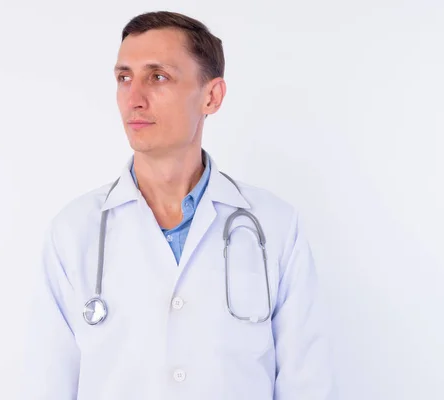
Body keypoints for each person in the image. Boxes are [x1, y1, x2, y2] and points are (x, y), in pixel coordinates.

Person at [24, 11, 336, 400]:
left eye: (158, 77)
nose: (133, 99)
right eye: (124, 78)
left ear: (212, 96)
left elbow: (308, 385)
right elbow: (47, 384)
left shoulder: (275, 226)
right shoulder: (73, 232)